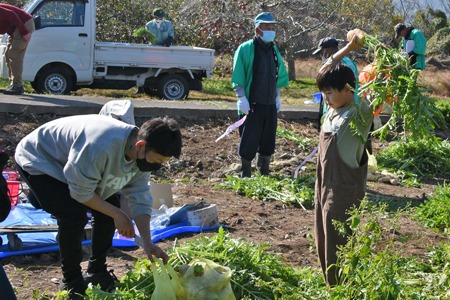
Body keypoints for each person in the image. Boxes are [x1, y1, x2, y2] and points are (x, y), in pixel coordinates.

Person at [15, 115, 182, 299]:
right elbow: (80, 193)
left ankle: (96, 272)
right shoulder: (101, 145)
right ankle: (71, 282)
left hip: (78, 169)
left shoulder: (140, 155)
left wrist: (147, 242)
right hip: (42, 159)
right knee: (73, 215)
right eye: (156, 160)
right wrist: (118, 215)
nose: (156, 166)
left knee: (110, 208)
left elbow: (140, 199)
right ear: (140, 145)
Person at [314, 35, 374, 286]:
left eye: (329, 93)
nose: (325, 99)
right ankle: (331, 287)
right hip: (324, 186)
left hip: (343, 191)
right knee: (323, 237)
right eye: (324, 93)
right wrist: (349, 48)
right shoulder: (333, 109)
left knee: (341, 245)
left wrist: (382, 62)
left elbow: (382, 86)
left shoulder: (359, 113)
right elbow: (324, 69)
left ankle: (342, 290)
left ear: (349, 90)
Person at [231, 12, 289, 178]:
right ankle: (246, 173)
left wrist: (277, 95)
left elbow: (277, 74)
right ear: (258, 30)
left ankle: (264, 172)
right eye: (267, 27)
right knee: (249, 138)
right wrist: (241, 97)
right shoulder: (246, 48)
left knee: (268, 139)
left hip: (269, 103)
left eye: (272, 27)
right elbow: (239, 73)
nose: (271, 30)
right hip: (252, 103)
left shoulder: (273, 50)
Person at [0, 4, 35, 95]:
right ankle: (13, 84)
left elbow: (11, 14)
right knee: (8, 55)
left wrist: (24, 31)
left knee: (14, 54)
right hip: (14, 29)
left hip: (23, 24)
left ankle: (17, 86)